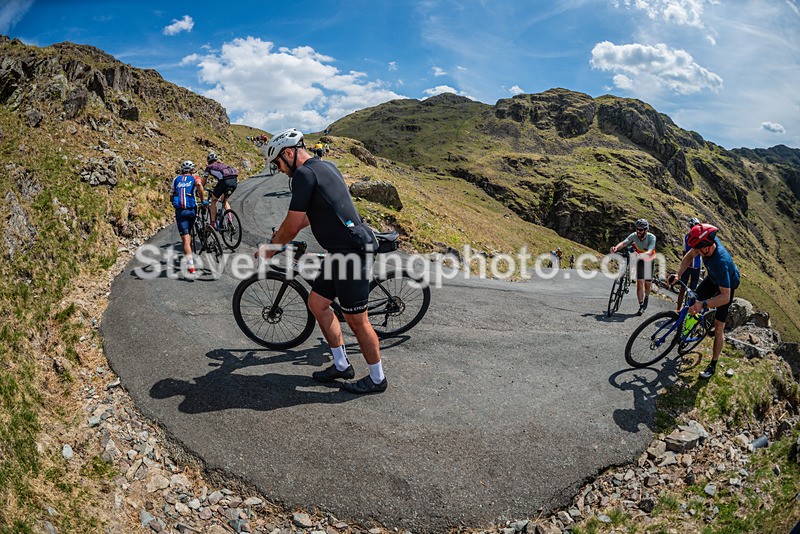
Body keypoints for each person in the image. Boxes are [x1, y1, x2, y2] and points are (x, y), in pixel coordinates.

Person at [256, 128, 386, 394]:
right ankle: (341, 365)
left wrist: (270, 249)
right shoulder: (326, 166)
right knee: (317, 303)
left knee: (357, 320)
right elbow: (309, 215)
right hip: (339, 252)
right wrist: (282, 235)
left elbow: (293, 225)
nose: (279, 170)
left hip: (351, 253)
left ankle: (377, 379)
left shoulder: (303, 175)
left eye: (278, 163)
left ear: (289, 153)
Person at [669, 223, 740, 379]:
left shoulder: (720, 261)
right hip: (713, 278)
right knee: (693, 300)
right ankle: (687, 332)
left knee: (719, 327)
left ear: (707, 247)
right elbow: (689, 256)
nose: (697, 252)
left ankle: (713, 364)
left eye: (699, 249)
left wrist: (704, 304)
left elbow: (725, 297)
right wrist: (678, 274)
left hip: (727, 287)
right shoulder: (704, 244)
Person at [610, 218, 657, 315]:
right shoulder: (634, 235)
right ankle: (641, 305)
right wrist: (616, 248)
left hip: (649, 260)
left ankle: (647, 297)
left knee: (647, 284)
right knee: (640, 283)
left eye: (641, 230)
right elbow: (624, 243)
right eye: (637, 229)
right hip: (640, 260)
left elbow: (649, 252)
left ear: (646, 230)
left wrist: (639, 255)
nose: (638, 231)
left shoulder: (652, 237)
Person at [169, 160, 206, 275]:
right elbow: (199, 185)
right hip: (192, 209)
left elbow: (171, 196)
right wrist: (203, 200)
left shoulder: (176, 179)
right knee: (192, 228)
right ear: (192, 170)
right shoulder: (195, 178)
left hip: (181, 211)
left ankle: (191, 265)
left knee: (185, 239)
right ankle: (202, 234)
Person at [204, 152, 238, 229]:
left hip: (224, 181)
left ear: (208, 161)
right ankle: (230, 220)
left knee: (213, 200)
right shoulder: (223, 165)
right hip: (234, 181)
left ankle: (213, 223)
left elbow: (204, 181)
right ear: (216, 160)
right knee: (224, 199)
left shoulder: (209, 167)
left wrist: (201, 189)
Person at [676, 217, 702, 311]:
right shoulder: (700, 237)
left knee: (683, 289)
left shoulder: (686, 237)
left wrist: (685, 262)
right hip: (696, 267)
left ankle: (678, 310)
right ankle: (686, 310)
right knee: (692, 291)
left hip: (688, 267)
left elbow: (684, 252)